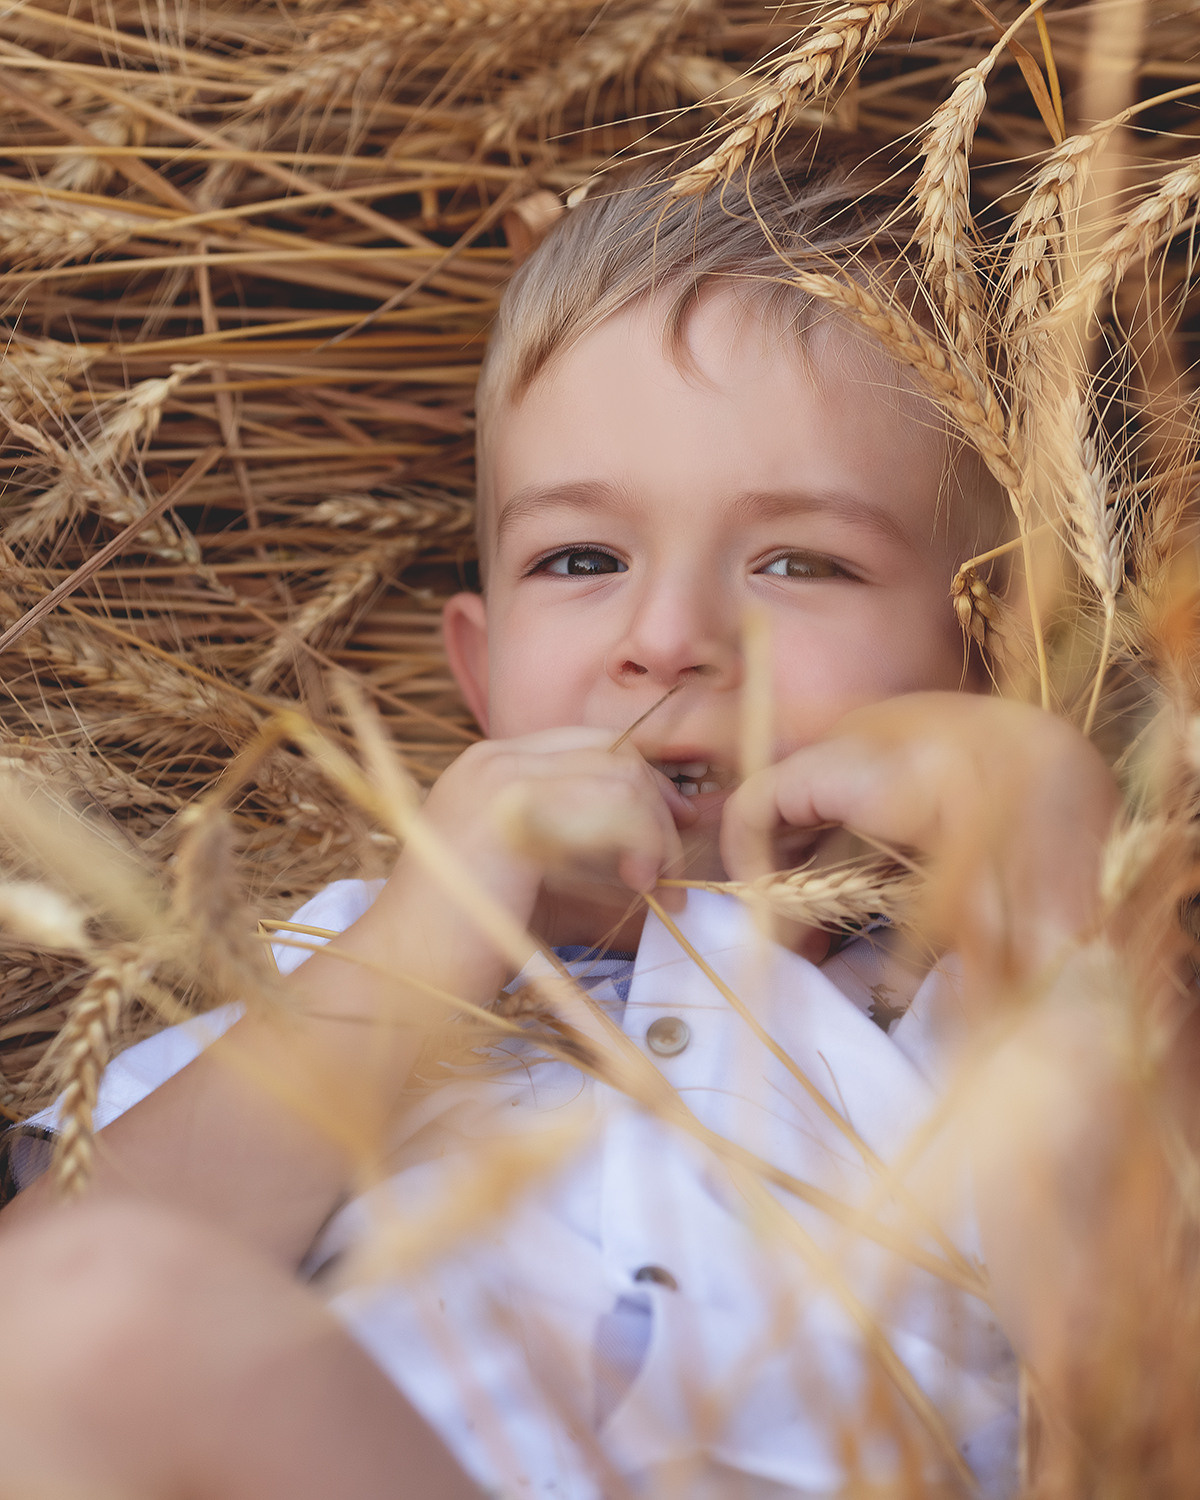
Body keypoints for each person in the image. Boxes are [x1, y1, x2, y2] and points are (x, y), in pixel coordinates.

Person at [0, 141, 1120, 1499]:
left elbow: (1144, 1398)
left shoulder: (988, 1014)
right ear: (481, 673)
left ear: (990, 661)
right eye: (581, 558)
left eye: (801, 562)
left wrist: (1051, 911)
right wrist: (420, 947)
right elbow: (39, 1334)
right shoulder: (363, 965)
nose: (669, 636)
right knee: (107, 1316)